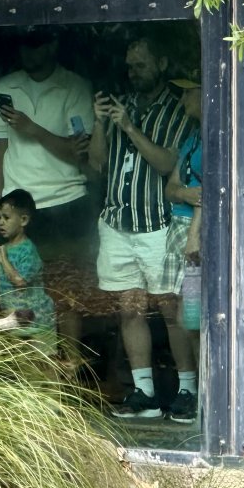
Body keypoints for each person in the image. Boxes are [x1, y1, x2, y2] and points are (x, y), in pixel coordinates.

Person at [87, 36, 196, 420]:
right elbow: (96, 164)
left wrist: (130, 128)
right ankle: (144, 392)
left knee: (171, 310)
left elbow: (168, 164)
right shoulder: (121, 105)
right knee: (129, 309)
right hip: (117, 222)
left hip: (158, 223)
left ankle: (188, 390)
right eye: (129, 67)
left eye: (141, 66)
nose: (133, 74)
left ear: (162, 63)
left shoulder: (179, 108)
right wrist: (101, 123)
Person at [0, 27, 95, 352]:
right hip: (18, 207)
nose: (27, 51)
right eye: (22, 44)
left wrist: (32, 128)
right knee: (13, 290)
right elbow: (0, 149)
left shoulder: (74, 86)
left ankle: (70, 368)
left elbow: (80, 154)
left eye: (35, 44)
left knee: (66, 291)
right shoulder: (4, 87)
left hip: (65, 201)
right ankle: (26, 374)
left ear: (53, 45)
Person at [163, 84, 204, 422]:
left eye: (186, 93)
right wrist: (186, 194)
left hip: (197, 238)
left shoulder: (218, 137)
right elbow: (171, 189)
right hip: (180, 232)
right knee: (183, 315)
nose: (181, 100)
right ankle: (193, 390)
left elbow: (205, 195)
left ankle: (206, 393)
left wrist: (194, 236)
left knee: (192, 318)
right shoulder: (193, 139)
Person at [0, 189, 56, 351]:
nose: (0, 223)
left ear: (23, 220)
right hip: (15, 318)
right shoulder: (4, 248)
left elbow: (20, 282)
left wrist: (3, 259)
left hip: (36, 319)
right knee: (22, 365)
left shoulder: (28, 250)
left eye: (6, 217)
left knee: (42, 361)